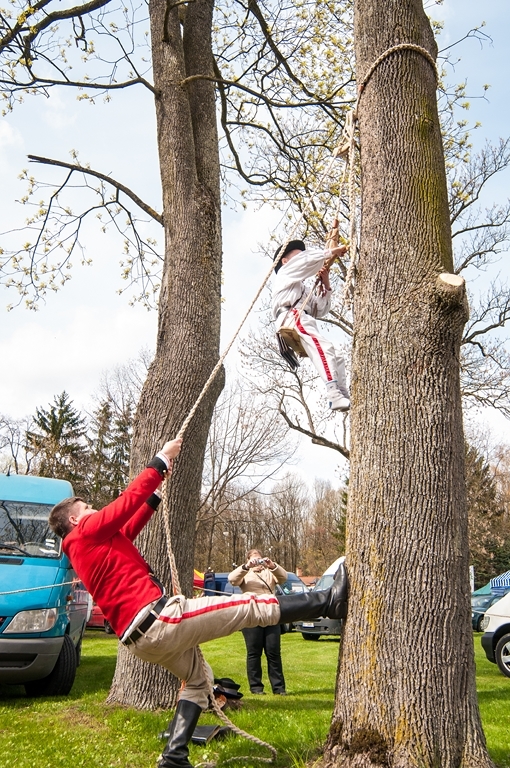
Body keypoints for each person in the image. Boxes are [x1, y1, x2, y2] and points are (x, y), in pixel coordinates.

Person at [48, 439, 348, 768]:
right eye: (87, 508)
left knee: (198, 680)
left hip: (140, 641)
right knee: (249, 606)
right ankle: (327, 602)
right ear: (75, 520)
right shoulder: (84, 532)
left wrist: (154, 497)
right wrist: (160, 461)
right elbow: (124, 505)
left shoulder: (88, 546)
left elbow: (127, 525)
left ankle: (174, 756)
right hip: (159, 621)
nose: (93, 510)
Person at [273, 239, 350, 411]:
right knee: (324, 348)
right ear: (285, 261)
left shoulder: (301, 288)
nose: (302, 255)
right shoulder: (285, 272)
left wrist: (325, 283)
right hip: (292, 316)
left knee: (336, 356)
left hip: (302, 317)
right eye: (298, 254)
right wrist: (332, 252)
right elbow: (306, 260)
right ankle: (333, 394)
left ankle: (342, 392)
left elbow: (320, 309)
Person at [228, 550, 288, 695]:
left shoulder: (269, 572)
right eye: (254, 559)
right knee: (254, 652)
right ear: (248, 560)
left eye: (259, 559)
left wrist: (272, 565)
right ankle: (256, 688)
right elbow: (232, 579)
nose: (257, 562)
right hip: (252, 615)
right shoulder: (245, 574)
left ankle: (279, 688)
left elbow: (283, 578)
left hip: (270, 614)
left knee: (274, 652)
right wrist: (246, 567)